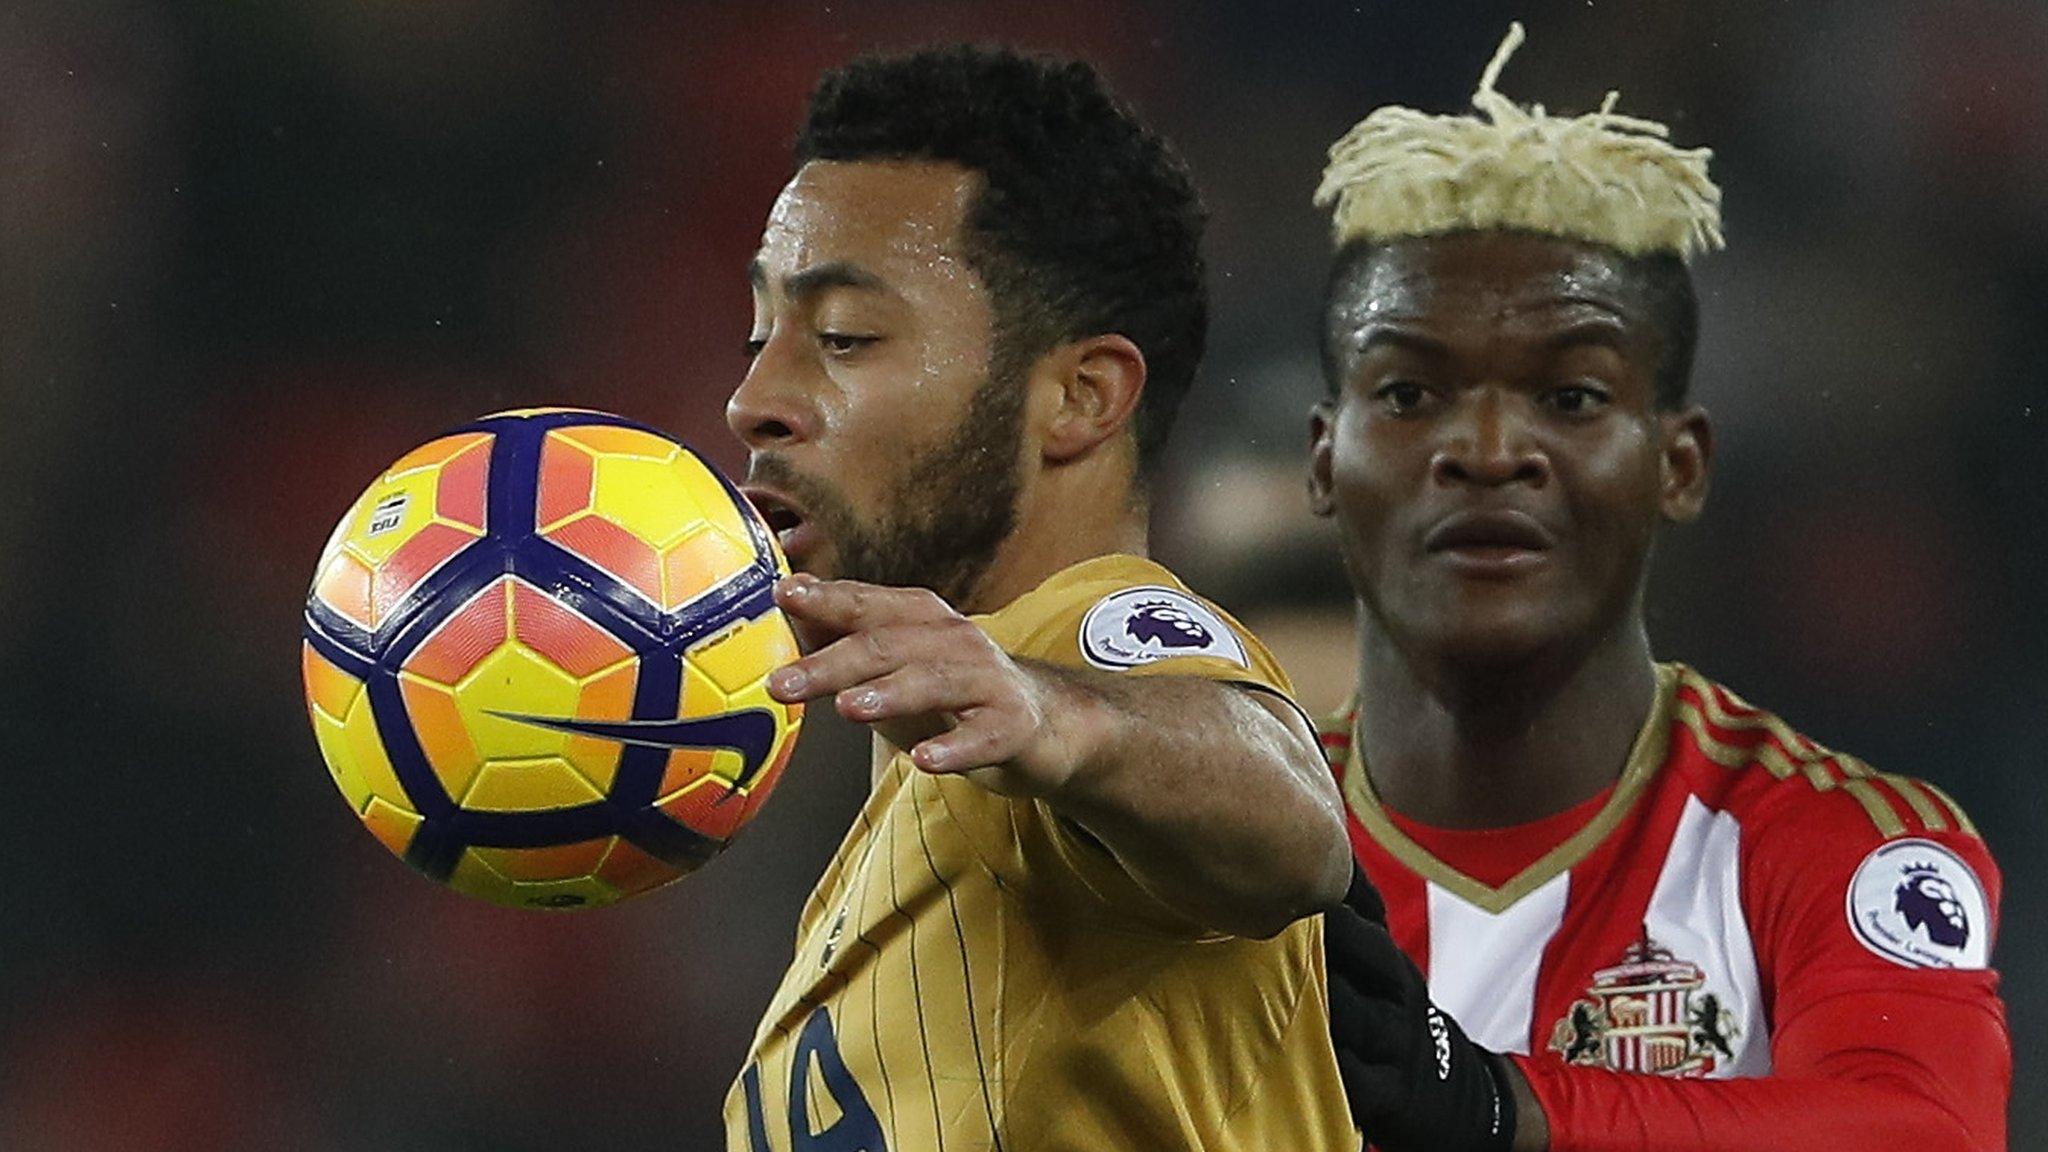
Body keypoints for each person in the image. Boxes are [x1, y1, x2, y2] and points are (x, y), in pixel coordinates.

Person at [1303, 24, 2010, 1152]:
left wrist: (1497, 1106)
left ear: (1679, 465)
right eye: (1408, 395)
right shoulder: (1228, 855)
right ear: (1321, 461)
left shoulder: (1829, 844)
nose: (1487, 450)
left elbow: (1922, 1129)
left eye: (1571, 398)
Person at [720, 44, 1358, 1151]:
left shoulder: (1084, 647)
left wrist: (1058, 715)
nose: (751, 399)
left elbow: (1291, 822)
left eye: (842, 338)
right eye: (758, 334)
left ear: (1080, 397)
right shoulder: (898, 839)